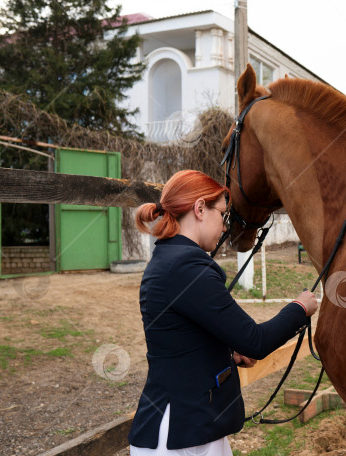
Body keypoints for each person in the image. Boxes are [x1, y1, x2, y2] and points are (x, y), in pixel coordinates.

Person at [128, 170, 317, 455]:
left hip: (191, 426)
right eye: (223, 215)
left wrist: (225, 354)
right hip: (182, 434)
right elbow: (256, 341)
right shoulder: (187, 267)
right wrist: (300, 308)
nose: (225, 226)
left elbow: (183, 337)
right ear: (200, 208)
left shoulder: (171, 258)